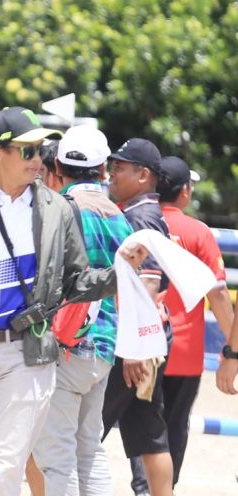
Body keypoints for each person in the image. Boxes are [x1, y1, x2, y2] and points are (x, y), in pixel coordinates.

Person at [0, 107, 143, 496]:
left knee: (6, 470)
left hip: (28, 353)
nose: (39, 160)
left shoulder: (58, 209)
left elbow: (77, 281)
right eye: (27, 151)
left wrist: (119, 273)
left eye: (41, 151)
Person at [31, 125, 132, 496]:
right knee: (89, 448)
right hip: (104, 343)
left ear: (56, 164)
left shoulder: (62, 209)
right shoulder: (119, 216)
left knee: (57, 456)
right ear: (104, 168)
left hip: (65, 343)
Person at [101, 138, 174, 496]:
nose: (112, 173)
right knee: (149, 433)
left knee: (85, 427)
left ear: (143, 175)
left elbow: (146, 284)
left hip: (132, 343)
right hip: (148, 337)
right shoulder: (147, 212)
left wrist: (133, 347)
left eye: (120, 167)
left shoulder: (139, 216)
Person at [155, 156, 233, 486]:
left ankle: (142, 487)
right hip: (183, 353)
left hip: (138, 347)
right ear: (185, 192)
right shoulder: (198, 233)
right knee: (173, 430)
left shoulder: (135, 221)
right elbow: (217, 296)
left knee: (139, 429)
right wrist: (233, 347)